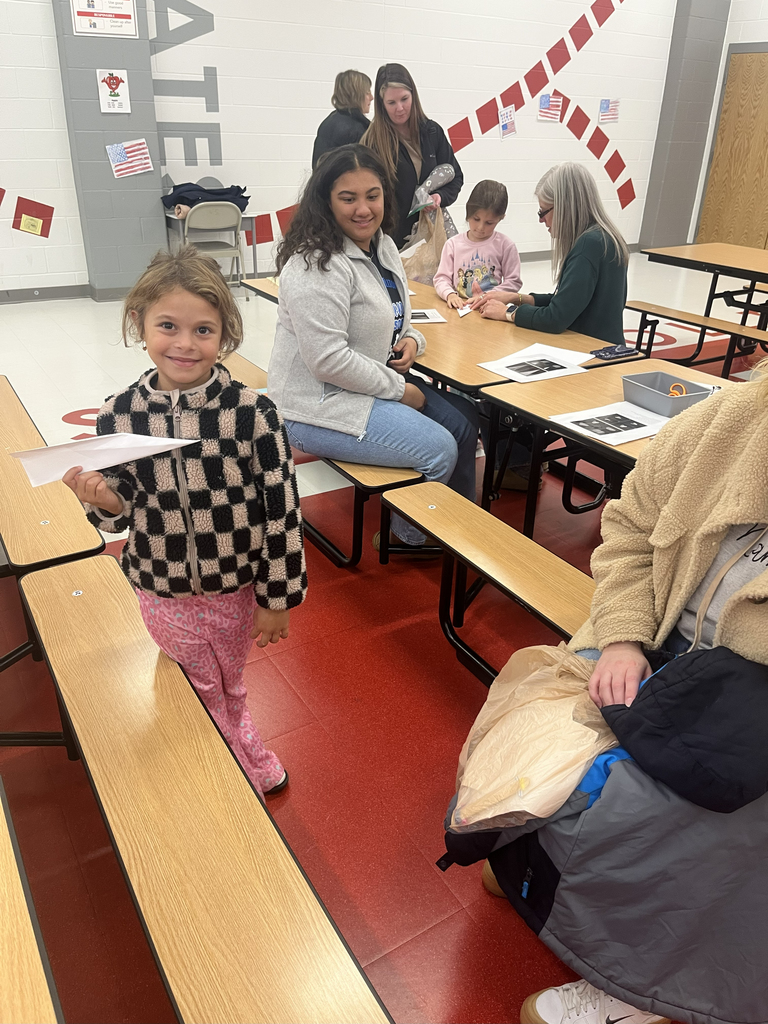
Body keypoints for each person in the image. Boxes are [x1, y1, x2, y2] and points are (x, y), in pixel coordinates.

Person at [471, 365, 768, 1024]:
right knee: (544, 711)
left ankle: (649, 986)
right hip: (660, 640)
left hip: (747, 691)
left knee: (672, 807)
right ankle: (533, 876)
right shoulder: (724, 421)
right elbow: (631, 529)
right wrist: (625, 639)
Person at [62, 246, 307, 797]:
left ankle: (229, 751)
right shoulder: (119, 414)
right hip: (160, 586)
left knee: (231, 680)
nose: (184, 343)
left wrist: (276, 597)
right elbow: (120, 507)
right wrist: (102, 499)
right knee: (199, 684)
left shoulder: (251, 413)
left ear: (225, 333)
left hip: (234, 584)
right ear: (139, 325)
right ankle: (237, 765)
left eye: (203, 329)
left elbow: (283, 509)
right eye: (167, 326)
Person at [268, 143, 479, 552]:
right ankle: (413, 537)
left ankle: (457, 520)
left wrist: (412, 341)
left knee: (465, 422)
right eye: (348, 198)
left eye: (372, 195)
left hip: (368, 385)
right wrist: (404, 391)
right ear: (326, 201)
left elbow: (402, 314)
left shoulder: (381, 246)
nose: (363, 209)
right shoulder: (316, 264)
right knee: (439, 448)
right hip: (317, 403)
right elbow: (328, 361)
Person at [475, 162, 629, 346]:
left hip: (592, 353)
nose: (541, 220)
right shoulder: (603, 237)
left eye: (543, 212)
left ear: (565, 207)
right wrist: (517, 298)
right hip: (601, 348)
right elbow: (567, 301)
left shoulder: (589, 244)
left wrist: (507, 312)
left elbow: (555, 318)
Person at [361, 63, 464, 249]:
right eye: (391, 103)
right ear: (382, 105)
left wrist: (440, 196)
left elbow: (455, 177)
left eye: (404, 99)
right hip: (391, 241)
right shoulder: (372, 142)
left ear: (413, 96)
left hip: (430, 236)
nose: (399, 108)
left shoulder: (432, 132)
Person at [433, 180, 522, 308]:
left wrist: (488, 296)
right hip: (460, 308)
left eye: (489, 223)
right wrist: (450, 294)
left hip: (489, 308)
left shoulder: (505, 246)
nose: (480, 227)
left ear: (500, 218)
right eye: (476, 219)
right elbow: (441, 278)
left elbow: (513, 282)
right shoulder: (453, 244)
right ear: (468, 212)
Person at [312, 70, 373, 170]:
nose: (371, 97)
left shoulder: (330, 121)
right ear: (356, 95)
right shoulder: (355, 130)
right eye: (367, 93)